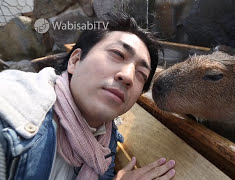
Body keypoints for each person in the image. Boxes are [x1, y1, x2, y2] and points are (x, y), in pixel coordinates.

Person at [0, 11, 176, 180]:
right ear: (75, 61)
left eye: (141, 75)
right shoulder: (9, 115)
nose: (128, 76)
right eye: (118, 54)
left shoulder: (106, 140)